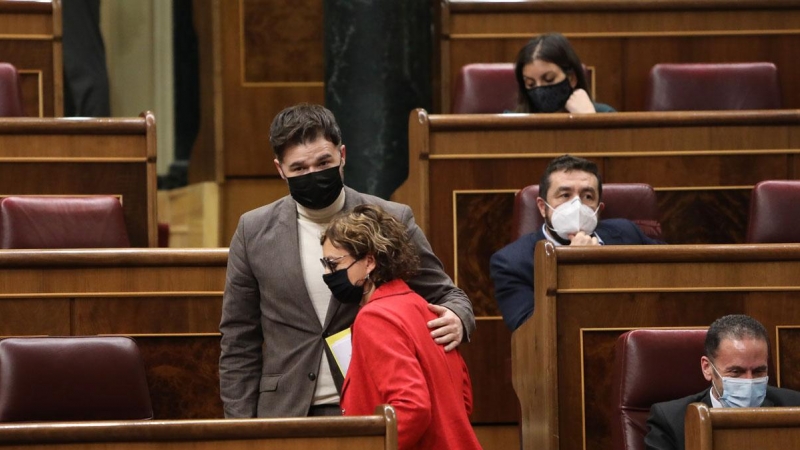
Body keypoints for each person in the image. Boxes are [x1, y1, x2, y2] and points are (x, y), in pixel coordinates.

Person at [219, 103, 475, 418]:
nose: (313, 174)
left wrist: (458, 318)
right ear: (280, 169)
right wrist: (241, 428)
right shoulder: (253, 230)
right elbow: (238, 338)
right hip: (286, 411)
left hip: (370, 404)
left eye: (323, 162)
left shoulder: (390, 217)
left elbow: (447, 294)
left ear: (342, 155)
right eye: (299, 168)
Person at [321, 204, 483, 450]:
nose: (327, 273)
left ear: (369, 262)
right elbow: (464, 399)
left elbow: (412, 407)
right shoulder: (423, 306)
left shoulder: (375, 317)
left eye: (333, 264)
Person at [490, 154, 662, 331]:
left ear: (598, 209)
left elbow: (674, 274)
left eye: (588, 196)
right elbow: (530, 331)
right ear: (542, 207)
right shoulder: (511, 262)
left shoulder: (628, 233)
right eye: (565, 195)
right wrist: (574, 267)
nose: (576, 205)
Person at [645, 314, 800, 450]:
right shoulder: (671, 421)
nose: (749, 381)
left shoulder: (794, 407)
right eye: (736, 372)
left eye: (759, 371)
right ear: (707, 368)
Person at [514, 32, 615, 114]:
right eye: (531, 84)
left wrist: (589, 119)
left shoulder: (605, 114)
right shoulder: (511, 122)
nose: (539, 90)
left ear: (571, 78)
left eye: (549, 79)